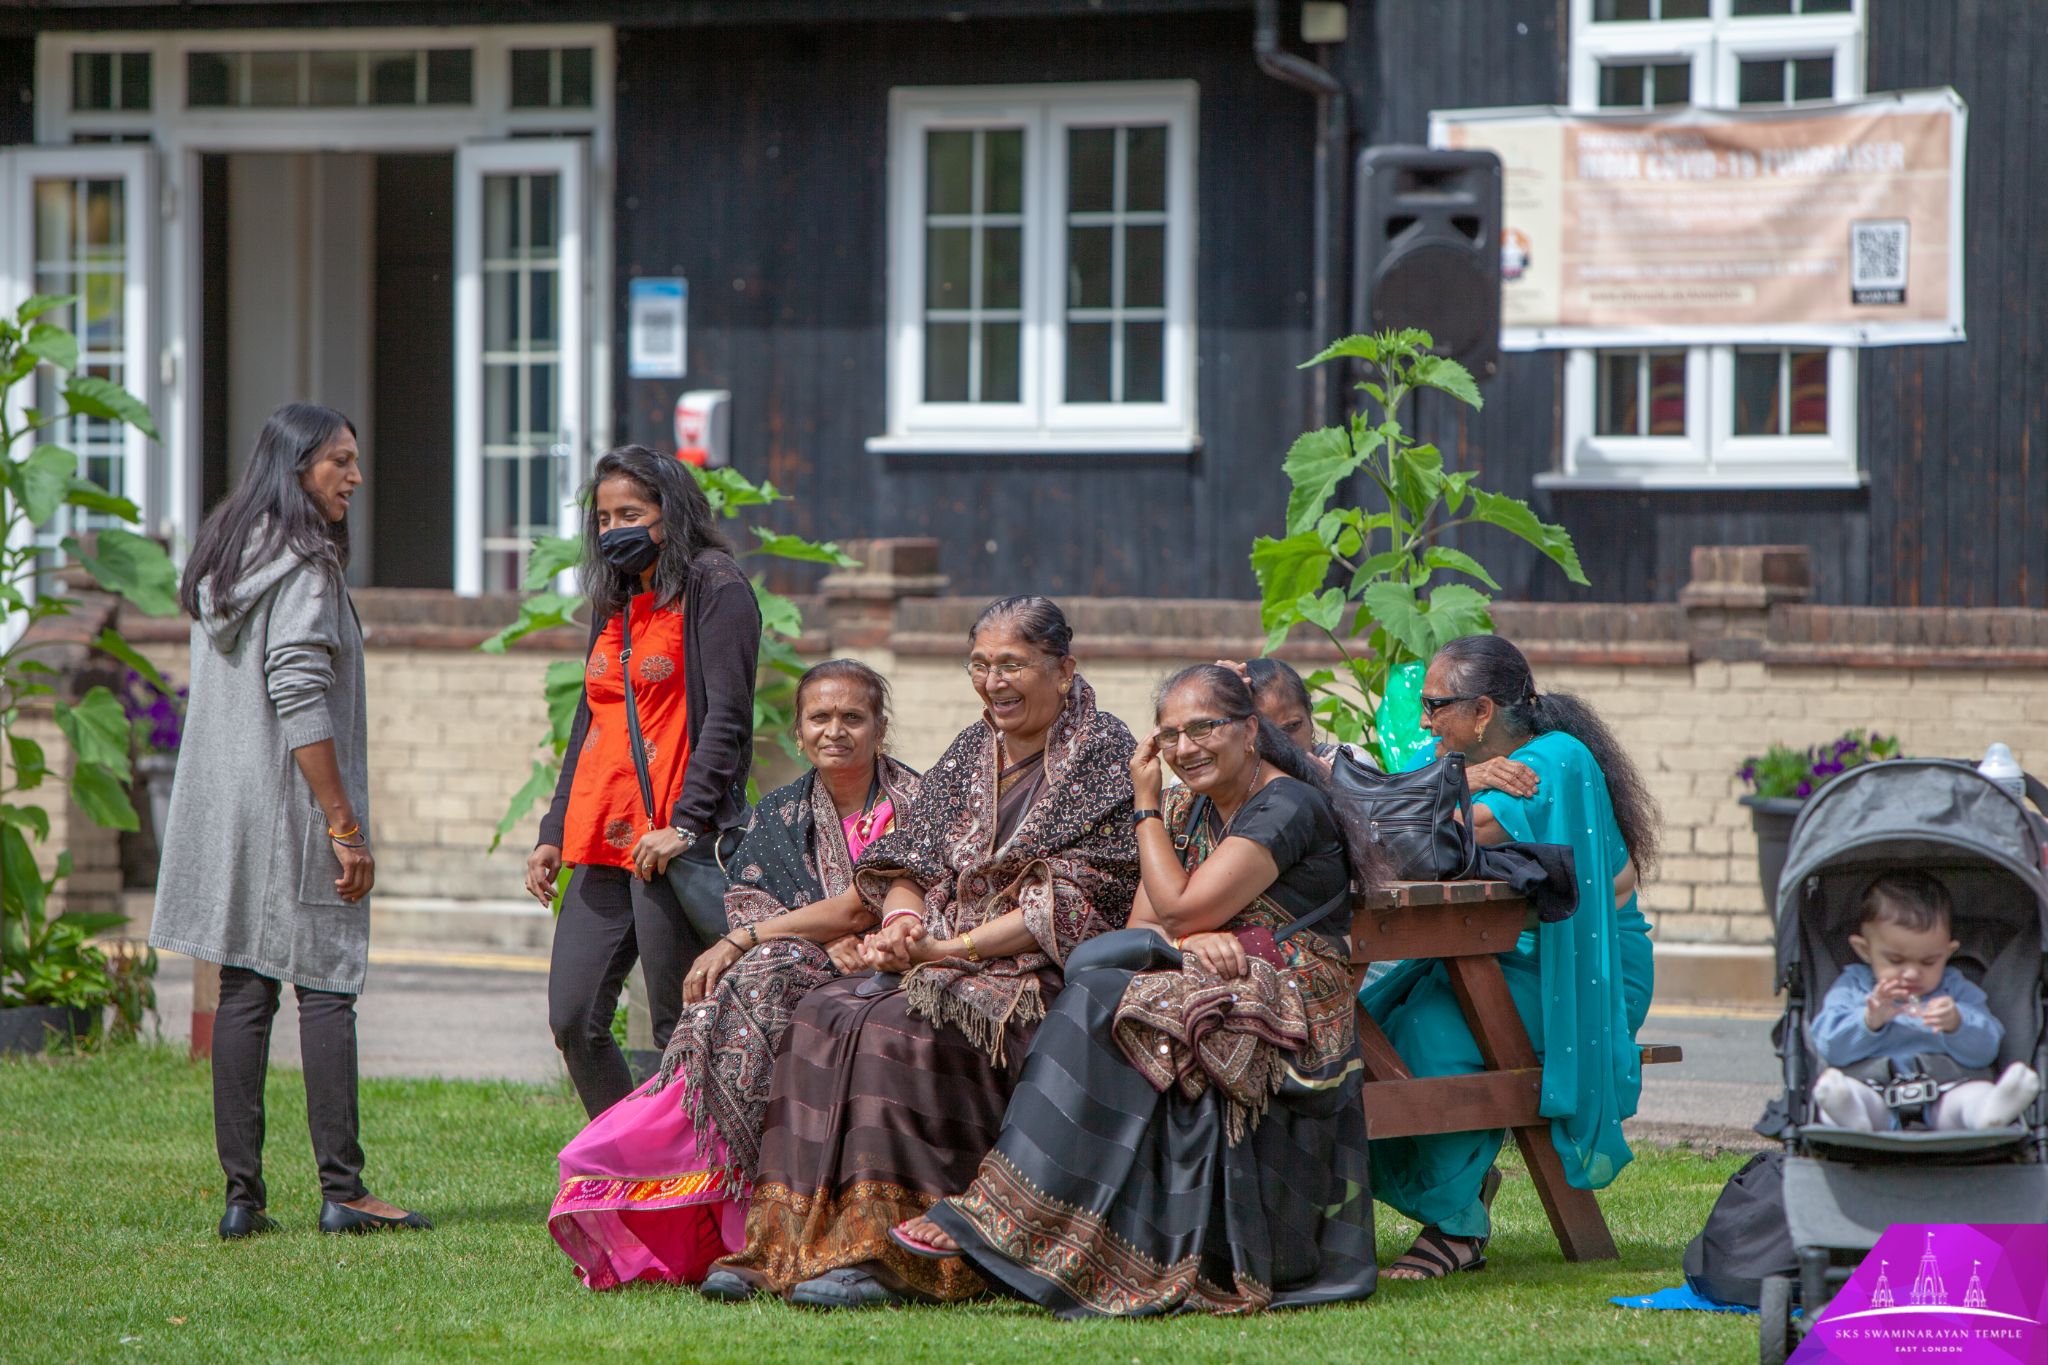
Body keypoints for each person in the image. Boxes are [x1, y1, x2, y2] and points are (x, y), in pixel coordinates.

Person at [700, 596, 1139, 1309]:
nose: (993, 681)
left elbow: (1071, 899)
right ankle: (784, 1241)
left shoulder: (1104, 755)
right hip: (938, 954)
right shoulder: (974, 747)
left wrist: (951, 944)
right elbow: (910, 860)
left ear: (1064, 671)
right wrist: (904, 918)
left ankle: (893, 1249)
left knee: (893, 1032)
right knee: (823, 1011)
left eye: (1012, 664)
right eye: (981, 664)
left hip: (1035, 974)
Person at [901, 664, 1380, 1316]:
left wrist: (1146, 805)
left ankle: (1005, 1210)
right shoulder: (1189, 810)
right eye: (1171, 734)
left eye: (1203, 729)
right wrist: (1186, 941)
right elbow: (1140, 933)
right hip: (1207, 975)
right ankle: (1026, 1215)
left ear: (1248, 730)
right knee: (1101, 987)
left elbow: (1177, 909)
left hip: (1296, 994)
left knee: (1108, 997)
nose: (1186, 748)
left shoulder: (1287, 804)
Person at [547, 660, 922, 1288]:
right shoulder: (776, 816)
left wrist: (754, 939)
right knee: (746, 987)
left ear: (880, 728)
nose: (837, 731)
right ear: (799, 734)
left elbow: (887, 896)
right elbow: (754, 902)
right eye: (820, 718)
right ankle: (717, 1191)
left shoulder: (919, 802)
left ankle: (710, 1178)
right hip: (813, 964)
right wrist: (818, 946)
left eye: (853, 717)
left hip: (905, 959)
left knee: (761, 968)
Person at [150, 402, 427, 1239]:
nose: (355, 476)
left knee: (243, 983)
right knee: (328, 984)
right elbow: (298, 691)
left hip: (227, 815)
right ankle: (343, 1188)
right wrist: (343, 822)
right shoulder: (304, 567)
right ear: (296, 464)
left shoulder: (227, 556)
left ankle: (244, 1198)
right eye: (339, 460)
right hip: (293, 810)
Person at [1362, 634, 1657, 1280]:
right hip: (1491, 954)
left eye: (1436, 704)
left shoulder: (1556, 760)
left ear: (1483, 709)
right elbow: (1378, 803)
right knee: (1367, 1025)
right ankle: (1454, 1189)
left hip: (1576, 971)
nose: (1423, 720)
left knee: (1425, 1035)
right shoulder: (1453, 756)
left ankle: (1457, 1225)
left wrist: (1448, 791)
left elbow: (1430, 835)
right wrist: (1463, 776)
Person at [529, 445, 761, 1120]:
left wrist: (686, 822)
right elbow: (590, 723)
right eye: (603, 517)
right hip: (601, 839)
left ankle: (690, 1178)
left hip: (669, 845)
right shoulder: (618, 595)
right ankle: (630, 1156)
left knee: (677, 1029)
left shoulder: (715, 586)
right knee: (573, 1017)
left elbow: (728, 720)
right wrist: (552, 830)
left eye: (630, 511)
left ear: (672, 511)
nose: (613, 528)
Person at [1808, 872, 2041, 1132]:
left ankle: (1989, 1113)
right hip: (1874, 1091)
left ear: (1948, 953)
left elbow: (1989, 1047)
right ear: (1864, 950)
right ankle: (1851, 1118)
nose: (1912, 973)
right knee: (1848, 1093)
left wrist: (1957, 1024)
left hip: (1946, 1091)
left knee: (1973, 1094)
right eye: (1895, 961)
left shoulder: (1954, 989)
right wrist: (1868, 1021)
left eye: (1929, 962)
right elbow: (1829, 1045)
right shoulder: (1853, 987)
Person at [1236, 656, 1379, 771]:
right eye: (1268, 734)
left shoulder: (1348, 762)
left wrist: (1327, 786)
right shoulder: (1242, 778)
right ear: (1246, 734)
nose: (1285, 743)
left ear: (1309, 715)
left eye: (1293, 726)